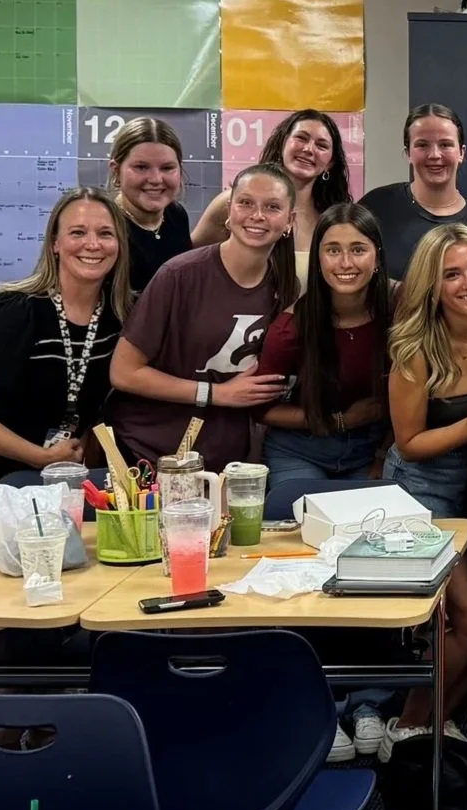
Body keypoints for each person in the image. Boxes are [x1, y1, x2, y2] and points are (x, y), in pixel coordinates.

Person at [383, 224, 467, 739]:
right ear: (432, 286)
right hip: (423, 491)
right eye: (451, 275)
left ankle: (439, 725)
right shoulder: (414, 347)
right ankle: (407, 728)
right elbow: (409, 442)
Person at [0, 187, 128, 484]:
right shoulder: (13, 313)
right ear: (55, 243)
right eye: (78, 232)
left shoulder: (118, 319)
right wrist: (40, 457)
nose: (93, 244)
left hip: (39, 475)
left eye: (105, 234)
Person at [111, 163, 296, 472]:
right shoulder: (179, 275)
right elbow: (124, 372)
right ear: (229, 211)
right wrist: (215, 394)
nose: (257, 215)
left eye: (272, 207)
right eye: (246, 203)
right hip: (152, 453)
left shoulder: (286, 287)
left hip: (228, 461)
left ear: (290, 221)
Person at [256, 204, 393, 516]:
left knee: (368, 526)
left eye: (358, 249)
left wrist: (383, 455)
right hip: (301, 449)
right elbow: (262, 410)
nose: (345, 262)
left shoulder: (399, 314)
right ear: (318, 259)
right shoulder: (291, 328)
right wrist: (341, 420)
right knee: (300, 522)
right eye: (333, 250)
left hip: (372, 450)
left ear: (377, 257)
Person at [194, 110, 351, 289]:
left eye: (321, 145)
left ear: (330, 162)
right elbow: (192, 261)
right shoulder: (231, 204)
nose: (308, 149)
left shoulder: (335, 219)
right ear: (282, 143)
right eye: (301, 138)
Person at [358, 104, 467, 282]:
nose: (434, 154)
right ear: (408, 153)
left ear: (461, 152)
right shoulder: (375, 206)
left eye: (445, 144)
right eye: (422, 145)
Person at [106, 118, 192, 292]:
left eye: (167, 168)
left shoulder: (176, 215)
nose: (155, 179)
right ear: (116, 170)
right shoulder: (105, 228)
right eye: (141, 167)